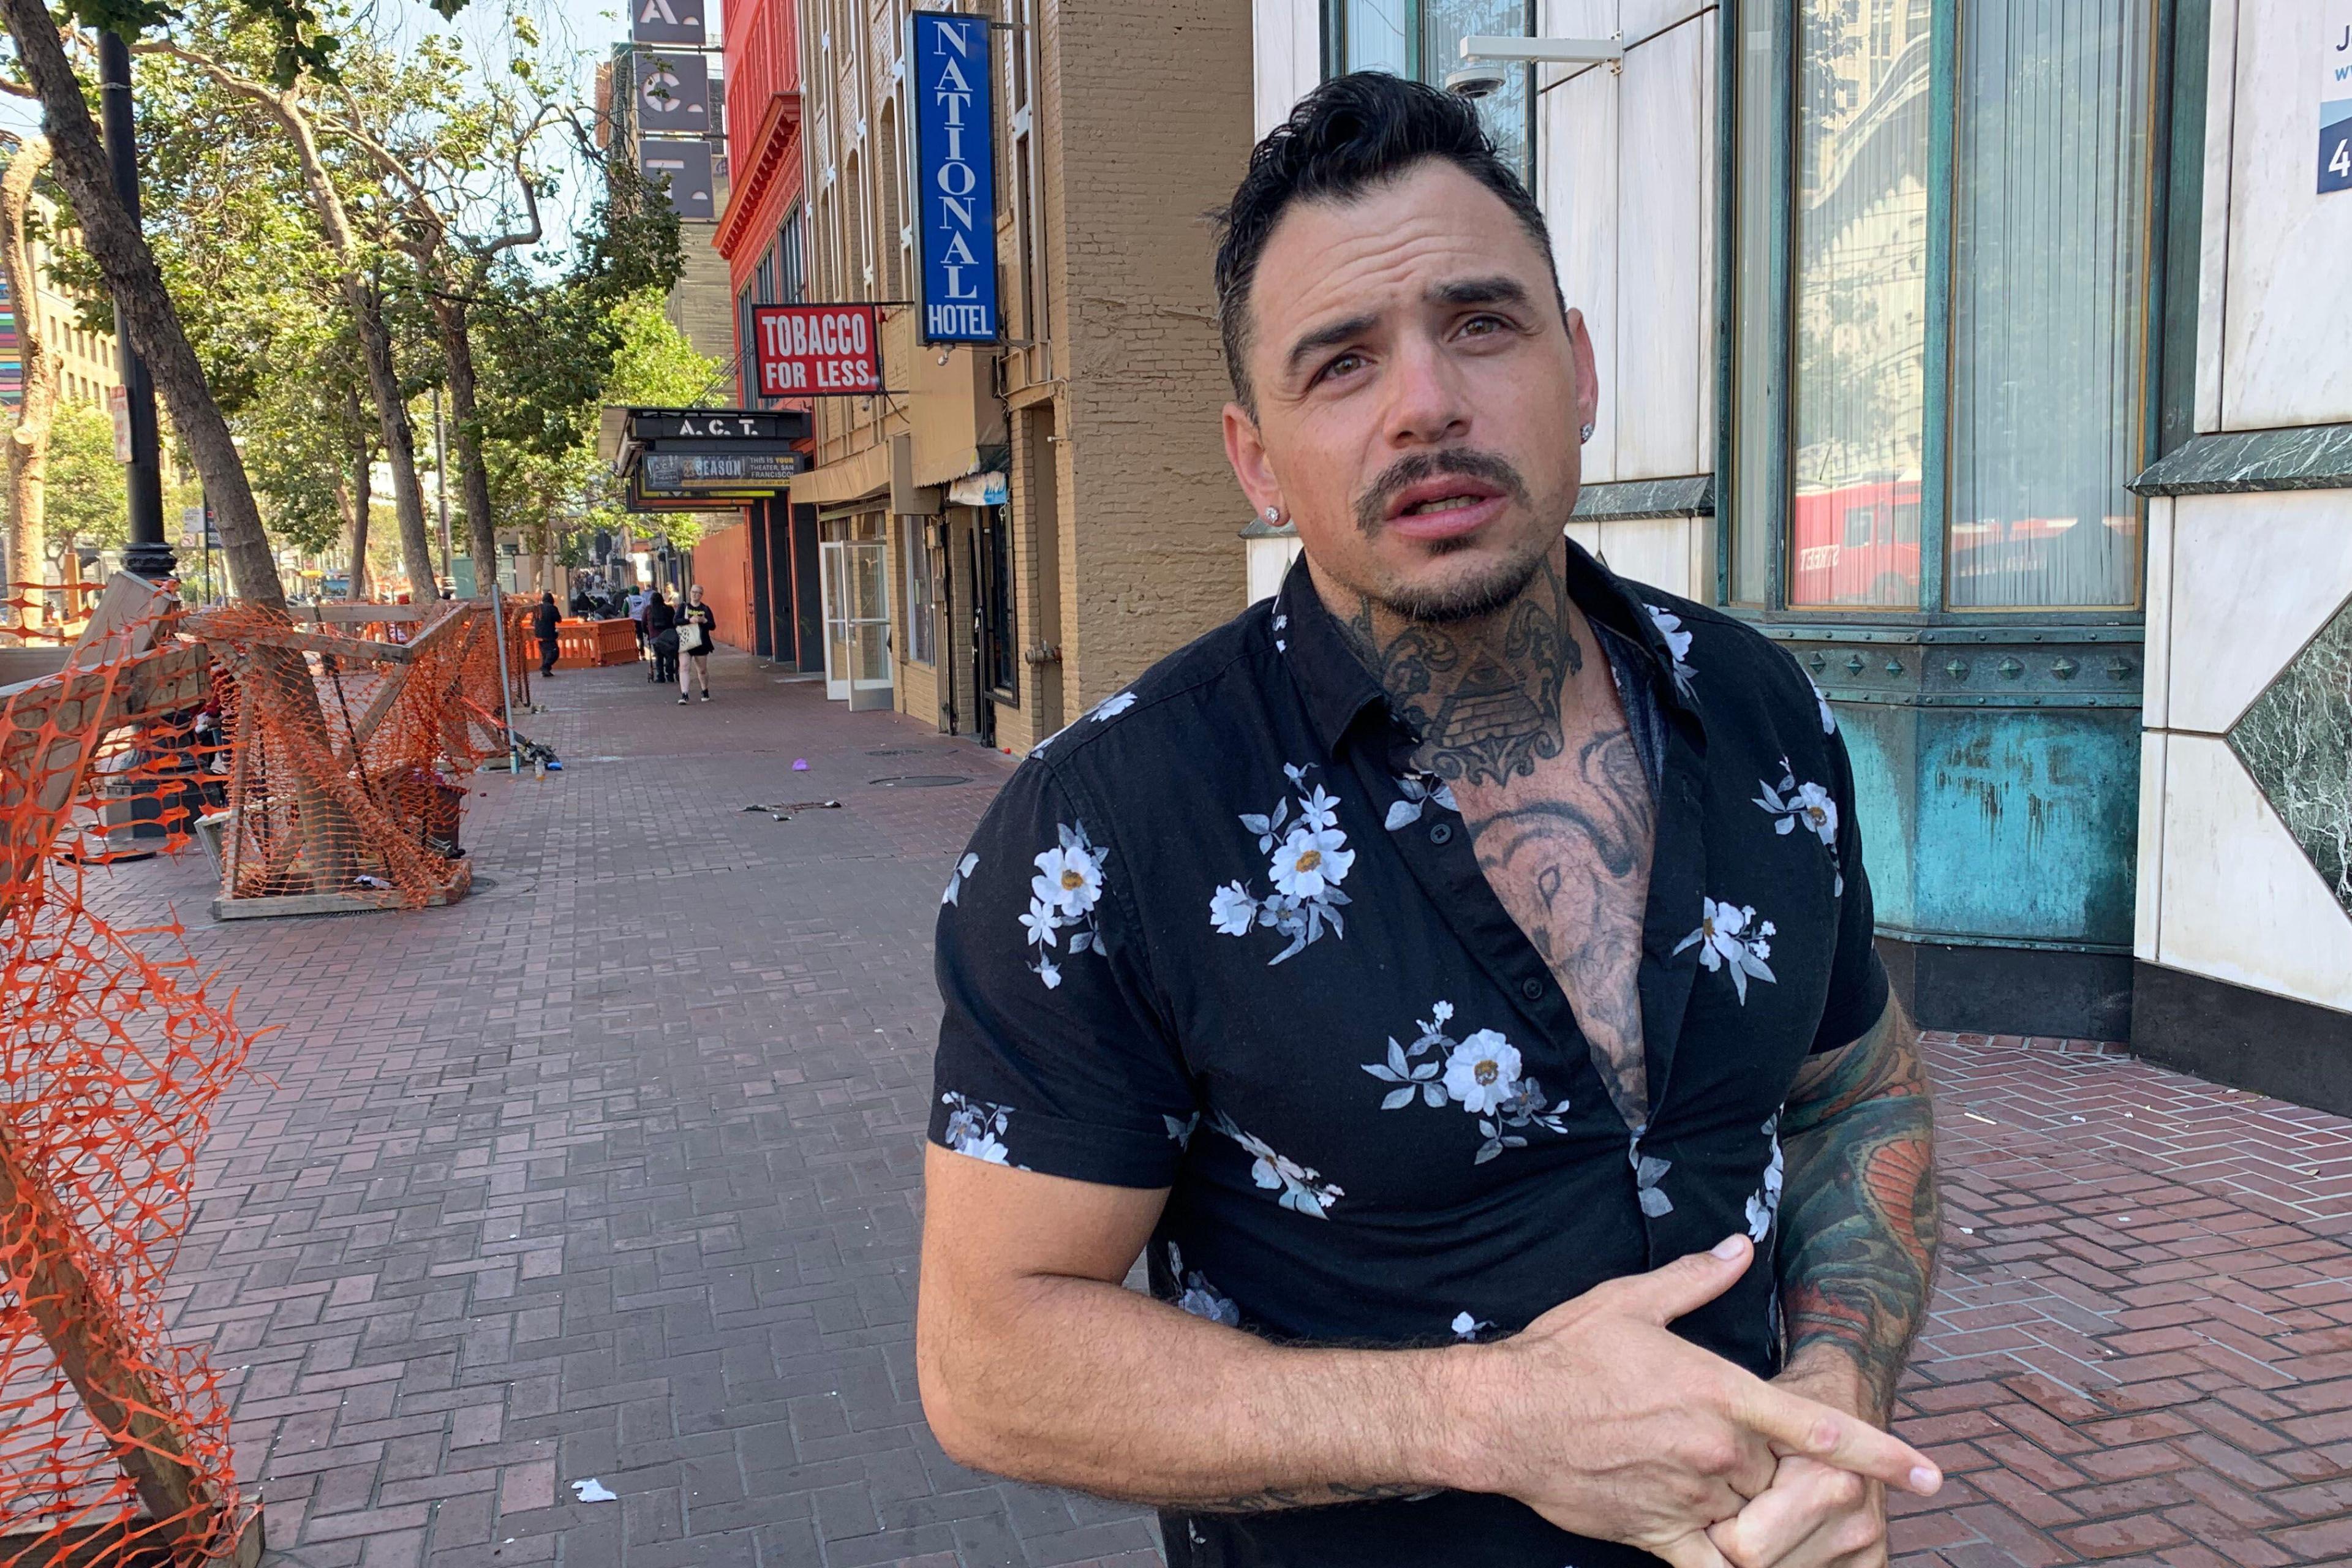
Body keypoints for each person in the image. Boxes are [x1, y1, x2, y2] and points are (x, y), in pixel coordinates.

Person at [916, 75, 1942, 1568]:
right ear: (1255, 457)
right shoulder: (1109, 830)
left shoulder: (1759, 708)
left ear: (1575, 367)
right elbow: (991, 1356)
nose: (1426, 402)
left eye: (1480, 323)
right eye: (1338, 363)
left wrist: (1835, 1387)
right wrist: (1485, 1417)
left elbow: (1854, 1091)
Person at [675, 584, 717, 704]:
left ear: (701, 595)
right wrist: (689, 620)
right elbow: (676, 621)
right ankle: (685, 695)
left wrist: (704, 621)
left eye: (698, 593)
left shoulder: (705, 609)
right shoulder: (684, 607)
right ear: (690, 592)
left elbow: (713, 626)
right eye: (693, 592)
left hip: (701, 642)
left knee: (702, 670)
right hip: (686, 641)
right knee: (684, 667)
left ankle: (705, 690)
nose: (695, 594)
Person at [644, 589, 677, 685]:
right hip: (668, 637)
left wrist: (648, 633)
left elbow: (643, 623)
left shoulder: (649, 609)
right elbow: (674, 622)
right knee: (669, 656)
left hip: (655, 638)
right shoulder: (669, 609)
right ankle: (670, 675)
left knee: (659, 657)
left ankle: (661, 676)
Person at [532, 592, 561, 678]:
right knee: (554, 652)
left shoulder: (538, 608)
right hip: (549, 634)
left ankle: (546, 671)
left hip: (538, 634)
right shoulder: (553, 608)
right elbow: (559, 620)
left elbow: (533, 621)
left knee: (545, 653)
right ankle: (545, 667)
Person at [627, 581, 652, 662]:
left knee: (632, 638)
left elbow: (625, 610)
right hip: (641, 620)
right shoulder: (643, 599)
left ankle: (634, 655)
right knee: (641, 638)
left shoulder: (628, 599)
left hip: (631, 621)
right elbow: (646, 609)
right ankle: (642, 654)